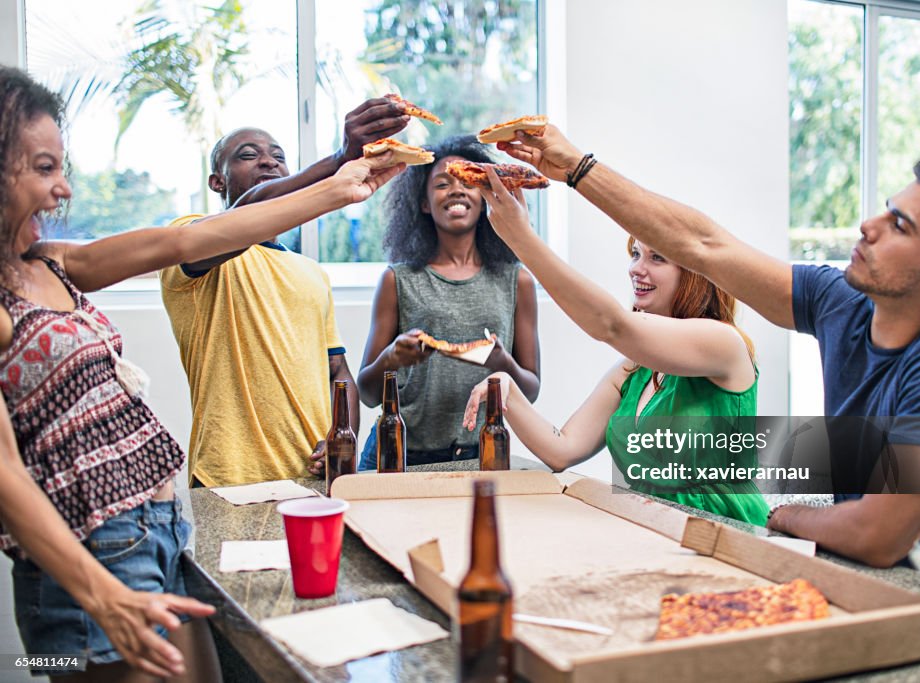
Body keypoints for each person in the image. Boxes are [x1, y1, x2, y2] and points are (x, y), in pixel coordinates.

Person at [0, 66, 401, 680]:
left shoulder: (55, 265)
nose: (64, 191)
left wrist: (345, 186)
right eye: (44, 168)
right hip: (93, 554)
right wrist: (102, 595)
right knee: (61, 662)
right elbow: (4, 475)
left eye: (63, 168)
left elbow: (192, 239)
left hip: (157, 526)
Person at [498, 124, 920, 586]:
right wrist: (575, 167)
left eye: (899, 226)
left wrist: (783, 517)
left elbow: (876, 535)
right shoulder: (842, 301)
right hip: (868, 577)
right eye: (886, 210)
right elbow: (704, 246)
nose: (869, 225)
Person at [463, 168, 767, 524]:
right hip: (654, 537)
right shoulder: (632, 370)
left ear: (695, 273)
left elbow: (610, 324)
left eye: (657, 258)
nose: (636, 269)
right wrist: (508, 391)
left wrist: (522, 240)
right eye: (635, 253)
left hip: (730, 540)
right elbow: (563, 449)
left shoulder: (723, 343)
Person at [160, 97, 410, 486]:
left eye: (278, 156)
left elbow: (338, 373)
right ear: (217, 181)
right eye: (247, 155)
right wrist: (338, 161)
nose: (268, 161)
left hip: (312, 478)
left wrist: (343, 437)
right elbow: (251, 211)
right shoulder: (191, 239)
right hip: (231, 478)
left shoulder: (311, 272)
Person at [357, 135, 541, 468]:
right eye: (442, 184)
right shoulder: (397, 279)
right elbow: (367, 394)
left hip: (478, 457)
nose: (456, 190)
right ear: (424, 203)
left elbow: (529, 391)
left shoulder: (517, 281)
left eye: (468, 182)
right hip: (395, 457)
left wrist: (502, 363)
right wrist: (391, 357)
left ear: (484, 194)